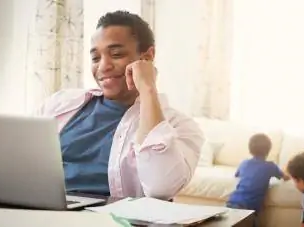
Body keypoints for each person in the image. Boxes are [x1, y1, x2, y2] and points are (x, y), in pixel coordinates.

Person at [37, 10, 204, 199]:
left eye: (116, 54)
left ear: (147, 57)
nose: (103, 67)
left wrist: (148, 89)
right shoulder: (58, 104)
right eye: (95, 58)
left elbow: (160, 188)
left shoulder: (180, 126)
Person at [227, 134, 289, 218]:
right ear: (268, 150)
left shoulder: (244, 163)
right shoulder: (270, 166)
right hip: (249, 207)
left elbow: (237, 175)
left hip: (232, 201)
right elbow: (285, 177)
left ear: (250, 149)